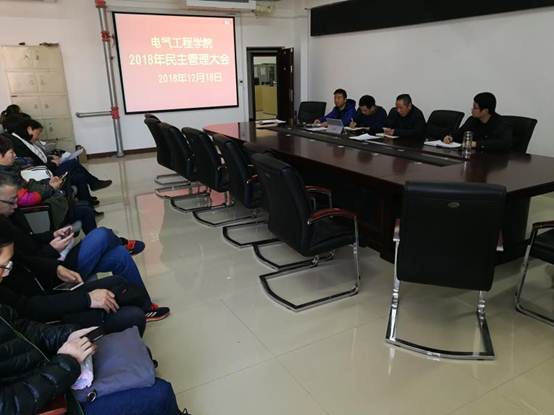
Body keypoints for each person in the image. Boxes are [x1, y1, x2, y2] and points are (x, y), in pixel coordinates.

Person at [0, 175, 169, 322]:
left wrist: (52, 235)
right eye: (11, 201)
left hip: (53, 263)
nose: (16, 205)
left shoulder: (9, 217)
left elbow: (29, 242)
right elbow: (28, 263)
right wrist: (51, 250)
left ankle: (146, 307)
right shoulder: (4, 245)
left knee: (119, 256)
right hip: (51, 272)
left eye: (16, 199)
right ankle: (119, 241)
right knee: (101, 235)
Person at [0, 303, 188, 415]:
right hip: (52, 402)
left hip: (52, 374)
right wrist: (66, 362)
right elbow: (8, 406)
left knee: (136, 355)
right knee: (160, 393)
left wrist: (68, 335)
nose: (6, 273)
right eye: (4, 266)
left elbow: (26, 330)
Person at [0, 224, 147, 335]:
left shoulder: (7, 234)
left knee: (118, 280)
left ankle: (146, 308)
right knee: (133, 315)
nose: (7, 272)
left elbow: (25, 258)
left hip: (50, 293)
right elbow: (30, 310)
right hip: (49, 320)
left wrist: (55, 268)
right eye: (4, 266)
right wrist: (87, 299)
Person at [0, 134, 98, 232]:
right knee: (86, 210)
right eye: (11, 152)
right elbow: (26, 199)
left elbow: (28, 185)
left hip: (39, 203)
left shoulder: (10, 170)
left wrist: (48, 183)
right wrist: (50, 188)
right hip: (38, 211)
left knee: (83, 204)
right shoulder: (5, 179)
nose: (15, 155)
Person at [6, 118, 111, 206]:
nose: (38, 137)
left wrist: (50, 158)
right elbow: (34, 165)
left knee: (79, 176)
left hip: (46, 168)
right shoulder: (19, 145)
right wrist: (52, 163)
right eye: (37, 133)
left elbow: (38, 158)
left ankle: (88, 203)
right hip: (45, 174)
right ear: (29, 130)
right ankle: (94, 183)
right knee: (72, 163)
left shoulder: (25, 141)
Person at [443, 92, 513, 152]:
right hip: (474, 157)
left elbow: (504, 144)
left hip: (495, 161)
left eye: (475, 108)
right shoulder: (472, 120)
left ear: (485, 111)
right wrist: (451, 137)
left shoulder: (502, 123)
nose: (472, 110)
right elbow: (460, 133)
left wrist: (476, 144)